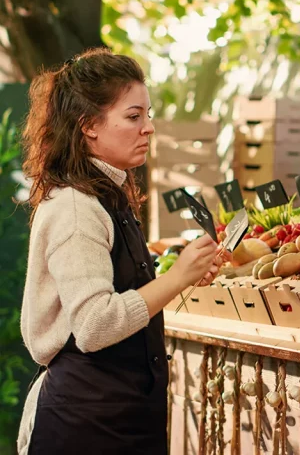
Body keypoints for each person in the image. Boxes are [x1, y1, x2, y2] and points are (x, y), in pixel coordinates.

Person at [16, 48, 224, 454]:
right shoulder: (76, 206)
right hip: (85, 427)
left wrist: (186, 275)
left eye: (148, 115)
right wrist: (176, 277)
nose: (148, 128)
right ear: (90, 125)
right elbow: (95, 324)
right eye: (133, 117)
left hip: (114, 417)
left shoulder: (106, 194)